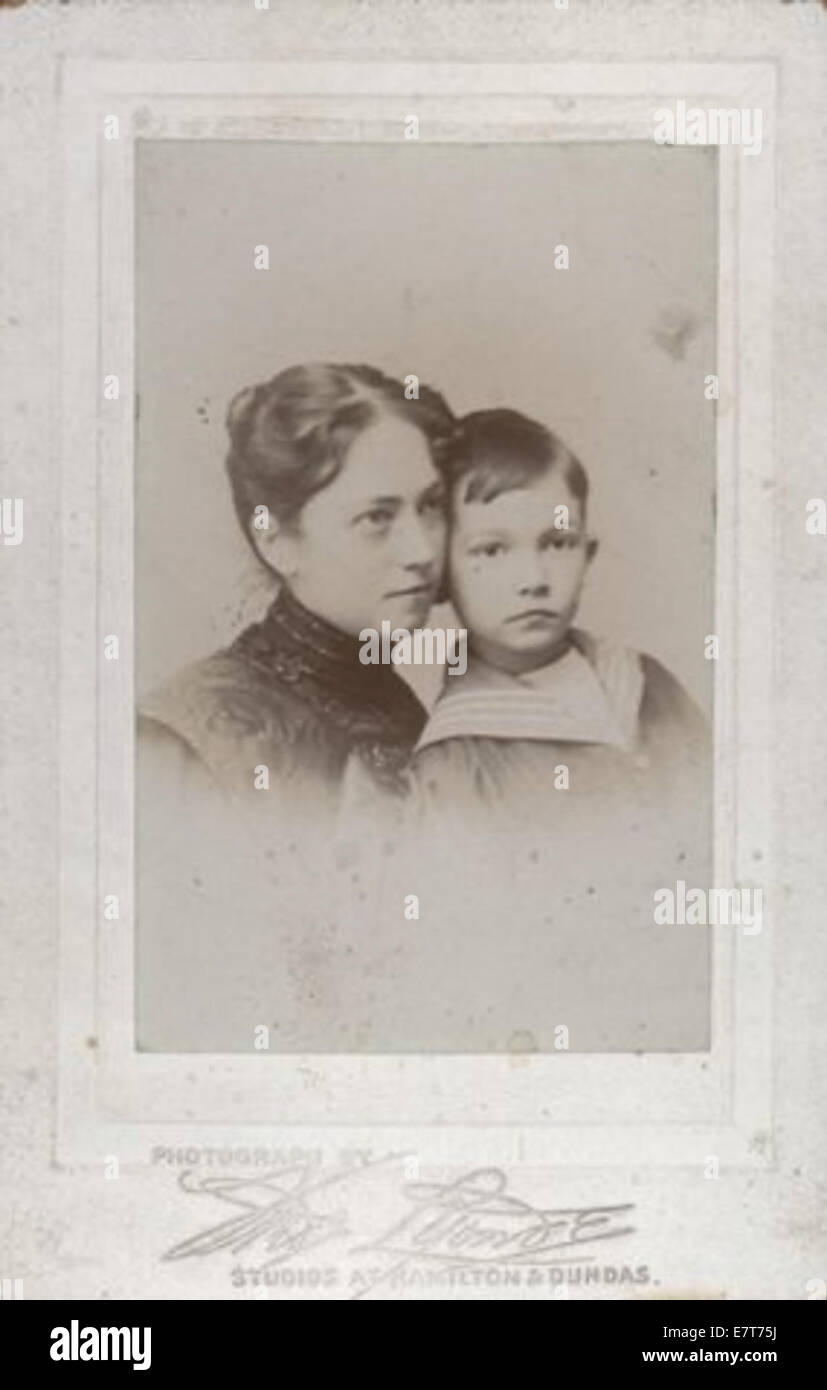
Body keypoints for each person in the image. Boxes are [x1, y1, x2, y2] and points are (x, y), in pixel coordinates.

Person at [135, 363, 455, 1051]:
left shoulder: (407, 710)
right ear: (274, 538)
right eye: (378, 517)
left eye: (430, 506)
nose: (423, 550)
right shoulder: (184, 742)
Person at [404, 408, 712, 1051]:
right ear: (441, 576)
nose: (533, 578)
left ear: (588, 553)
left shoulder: (646, 683)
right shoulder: (457, 761)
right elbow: (475, 966)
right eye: (492, 550)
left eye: (558, 542)